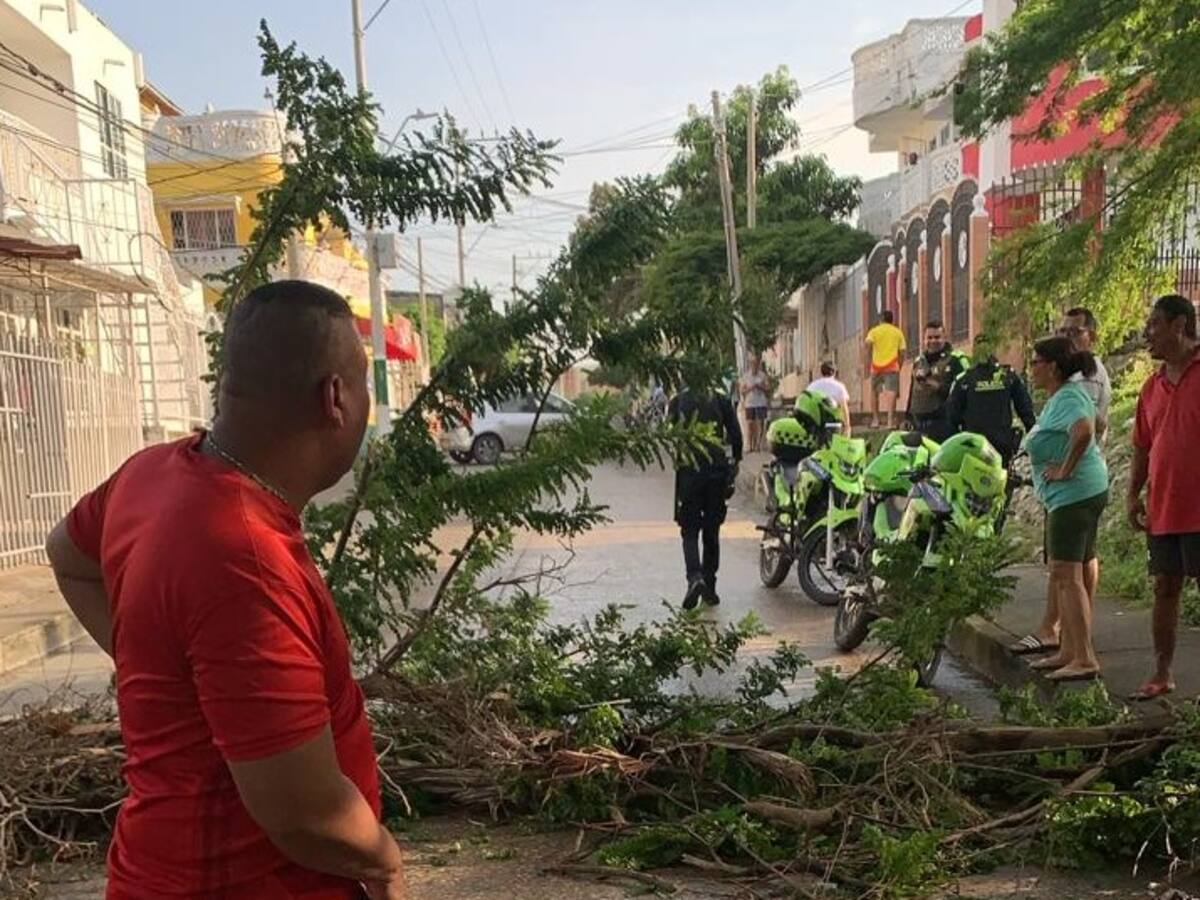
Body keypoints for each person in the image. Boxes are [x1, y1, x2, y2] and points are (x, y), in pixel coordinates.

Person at [44, 281, 405, 899]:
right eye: (365, 383)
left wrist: (163, 674)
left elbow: (67, 555)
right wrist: (384, 862)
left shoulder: (148, 476)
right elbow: (306, 817)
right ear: (336, 399)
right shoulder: (246, 561)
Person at [1010, 336, 1109, 681]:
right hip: (1084, 490)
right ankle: (1068, 650)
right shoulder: (1067, 395)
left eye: (1036, 362)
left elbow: (1084, 430)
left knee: (1067, 577)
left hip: (1073, 496)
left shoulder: (1067, 396)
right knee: (1070, 573)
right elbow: (1101, 424)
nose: (1031, 368)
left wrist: (1066, 468)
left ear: (1052, 366)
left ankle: (1084, 657)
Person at [1127, 294, 1200, 701]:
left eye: (1155, 324)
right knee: (1164, 587)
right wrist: (1133, 495)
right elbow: (1142, 445)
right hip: (1164, 505)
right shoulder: (1151, 387)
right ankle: (1161, 672)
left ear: (1179, 325)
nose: (1147, 334)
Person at [670, 375, 744, 610]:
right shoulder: (721, 399)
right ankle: (710, 587)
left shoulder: (678, 401)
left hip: (689, 473)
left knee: (689, 530)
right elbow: (736, 436)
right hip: (716, 472)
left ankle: (695, 578)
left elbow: (669, 435)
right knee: (711, 532)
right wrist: (735, 463)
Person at [945, 336, 1036, 466]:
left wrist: (1033, 435)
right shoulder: (966, 379)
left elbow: (1025, 408)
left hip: (995, 445)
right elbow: (952, 415)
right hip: (978, 446)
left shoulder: (1005, 375)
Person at [906, 319, 968, 443]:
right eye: (929, 338)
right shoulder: (918, 361)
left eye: (937, 337)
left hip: (944, 425)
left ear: (944, 338)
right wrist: (907, 417)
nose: (933, 341)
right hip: (918, 426)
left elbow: (963, 393)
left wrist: (937, 386)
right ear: (924, 340)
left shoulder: (955, 359)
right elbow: (912, 391)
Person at [1058, 307, 1112, 444]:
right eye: (1063, 332)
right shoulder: (1075, 371)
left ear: (1092, 337)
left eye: (1075, 332)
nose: (1066, 338)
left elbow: (1084, 427)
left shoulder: (1087, 374)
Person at [864, 309, 906, 429]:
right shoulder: (898, 332)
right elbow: (902, 352)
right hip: (892, 366)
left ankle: (875, 420)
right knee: (891, 393)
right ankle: (890, 421)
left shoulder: (874, 331)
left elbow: (867, 345)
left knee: (874, 392)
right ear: (892, 320)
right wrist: (900, 365)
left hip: (876, 366)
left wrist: (868, 362)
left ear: (881, 319)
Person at [806, 361, 852, 436]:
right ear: (834, 372)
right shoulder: (839, 386)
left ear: (821, 372)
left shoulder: (812, 386)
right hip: (833, 424)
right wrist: (847, 426)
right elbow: (844, 407)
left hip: (815, 423)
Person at [739, 355, 771, 452]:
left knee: (760, 423)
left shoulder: (762, 375)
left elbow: (768, 388)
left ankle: (758, 444)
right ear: (750, 365)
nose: (754, 365)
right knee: (750, 424)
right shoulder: (746, 376)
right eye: (752, 363)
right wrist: (750, 388)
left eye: (756, 363)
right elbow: (742, 390)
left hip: (761, 402)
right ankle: (750, 445)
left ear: (758, 364)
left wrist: (761, 387)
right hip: (750, 403)